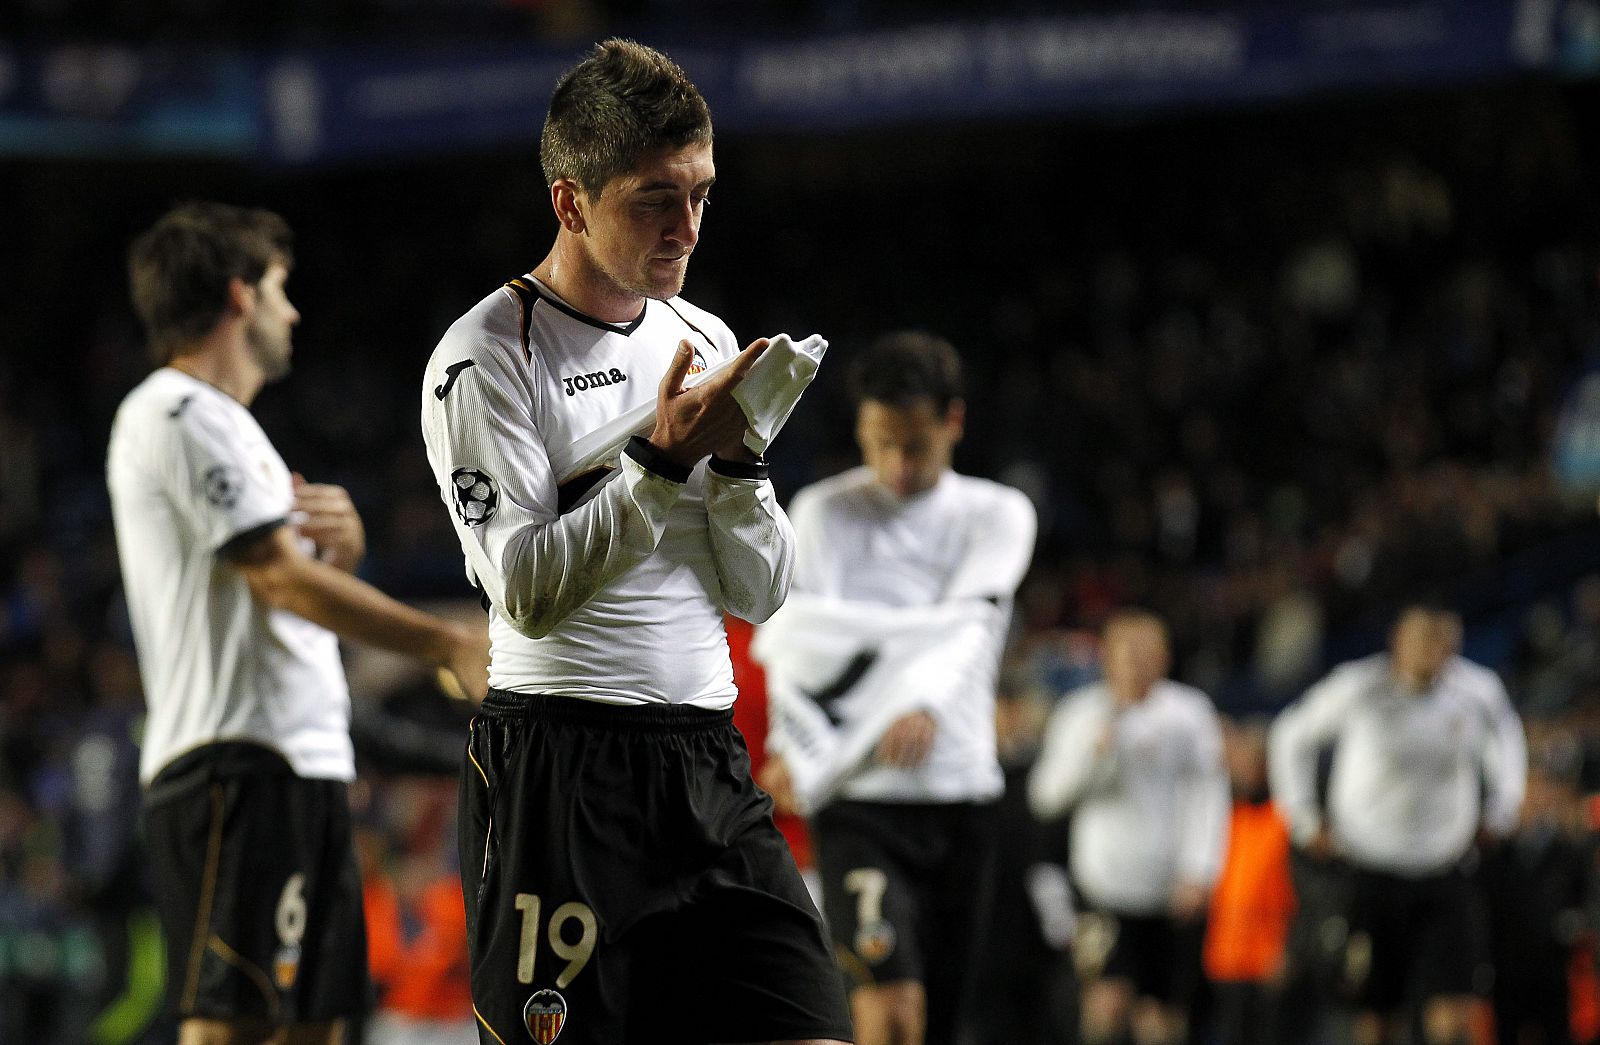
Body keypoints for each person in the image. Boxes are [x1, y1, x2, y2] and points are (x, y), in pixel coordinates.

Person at [419, 39, 853, 1045]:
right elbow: (523, 590)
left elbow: (758, 591)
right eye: (656, 198)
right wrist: (657, 462)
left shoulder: (699, 334)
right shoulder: (485, 358)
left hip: (706, 763)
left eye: (702, 192)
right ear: (570, 202)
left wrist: (740, 464)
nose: (688, 226)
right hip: (561, 771)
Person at [107, 201, 490, 1045]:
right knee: (231, 1021)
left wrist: (339, 563)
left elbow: (279, 605)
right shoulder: (174, 411)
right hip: (233, 767)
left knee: (318, 1025)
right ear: (240, 296)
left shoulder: (238, 435)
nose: (294, 311)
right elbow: (278, 580)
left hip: (302, 767)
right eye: (282, 289)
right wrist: (446, 640)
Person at [753, 331, 1039, 1045]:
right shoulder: (823, 511)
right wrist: (791, 740)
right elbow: (797, 644)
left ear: (954, 423)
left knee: (939, 1021)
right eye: (882, 443)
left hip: (961, 789)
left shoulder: (1000, 514)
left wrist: (912, 688)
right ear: (861, 429)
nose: (899, 465)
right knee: (892, 1008)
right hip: (859, 795)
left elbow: (970, 630)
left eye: (915, 444)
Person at [1267, 603, 1527, 1045]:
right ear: (1397, 640)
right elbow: (1290, 735)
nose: (1435, 648)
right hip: (1370, 871)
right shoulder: (1359, 687)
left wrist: (1501, 812)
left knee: (1455, 1010)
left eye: (1443, 638)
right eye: (1423, 637)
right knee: (1375, 1015)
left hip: (1446, 868)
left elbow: (1508, 743)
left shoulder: (1476, 690)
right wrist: (1305, 818)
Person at [1028, 610, 1230, 1045]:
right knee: (1106, 1002)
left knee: (1162, 1016)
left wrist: (1200, 871)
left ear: (1165, 658)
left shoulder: (1190, 714)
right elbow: (1046, 797)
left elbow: (1209, 795)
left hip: (1170, 891)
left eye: (1148, 653)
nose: (1139, 664)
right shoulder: (1081, 714)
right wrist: (1093, 753)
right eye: (1128, 653)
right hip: (1102, 885)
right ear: (1108, 658)